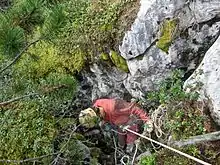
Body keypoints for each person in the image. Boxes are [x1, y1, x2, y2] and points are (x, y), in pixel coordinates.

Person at [78, 98, 153, 154]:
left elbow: (134, 109)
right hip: (120, 123)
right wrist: (104, 121)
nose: (100, 120)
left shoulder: (114, 106)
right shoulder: (96, 105)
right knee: (121, 142)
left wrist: (147, 120)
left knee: (130, 143)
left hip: (131, 120)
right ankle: (122, 147)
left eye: (100, 119)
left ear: (97, 111)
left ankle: (130, 150)